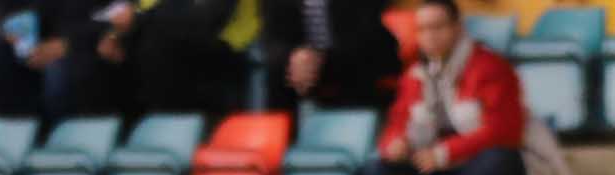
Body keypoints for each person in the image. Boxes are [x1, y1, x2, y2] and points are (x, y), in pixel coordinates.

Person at [366, 0, 530, 175]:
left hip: (481, 167)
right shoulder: (416, 75)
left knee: (498, 158)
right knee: (378, 167)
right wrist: (396, 143)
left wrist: (445, 153)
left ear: (457, 28)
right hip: (438, 167)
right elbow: (398, 122)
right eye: (421, 29)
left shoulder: (490, 67)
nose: (429, 35)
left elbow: (504, 130)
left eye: (437, 27)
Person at [90, 0, 259, 120]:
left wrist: (136, 19)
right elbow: (143, 11)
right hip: (164, 55)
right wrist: (117, 34)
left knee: (163, 44)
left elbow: (206, 19)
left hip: (224, 49)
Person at [266, 0, 407, 112]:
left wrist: (319, 59)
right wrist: (295, 56)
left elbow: (366, 32)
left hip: (359, 63)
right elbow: (274, 39)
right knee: (274, 72)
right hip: (305, 73)